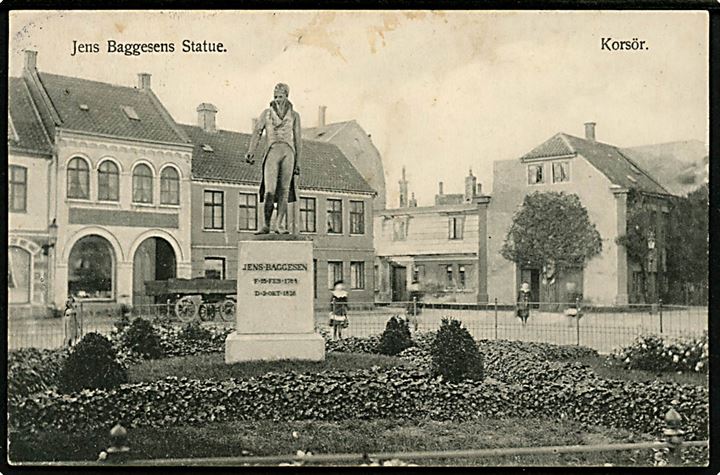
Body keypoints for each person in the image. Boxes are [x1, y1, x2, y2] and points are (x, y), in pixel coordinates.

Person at [245, 83, 302, 234]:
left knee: (284, 190)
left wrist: (298, 162)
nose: (277, 99)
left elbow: (298, 140)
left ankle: (279, 225)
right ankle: (266, 224)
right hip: (272, 151)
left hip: (288, 153)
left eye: (281, 97)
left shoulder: (294, 116)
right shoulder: (266, 114)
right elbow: (257, 131)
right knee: (269, 190)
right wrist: (251, 150)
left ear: (287, 96)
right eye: (275, 97)